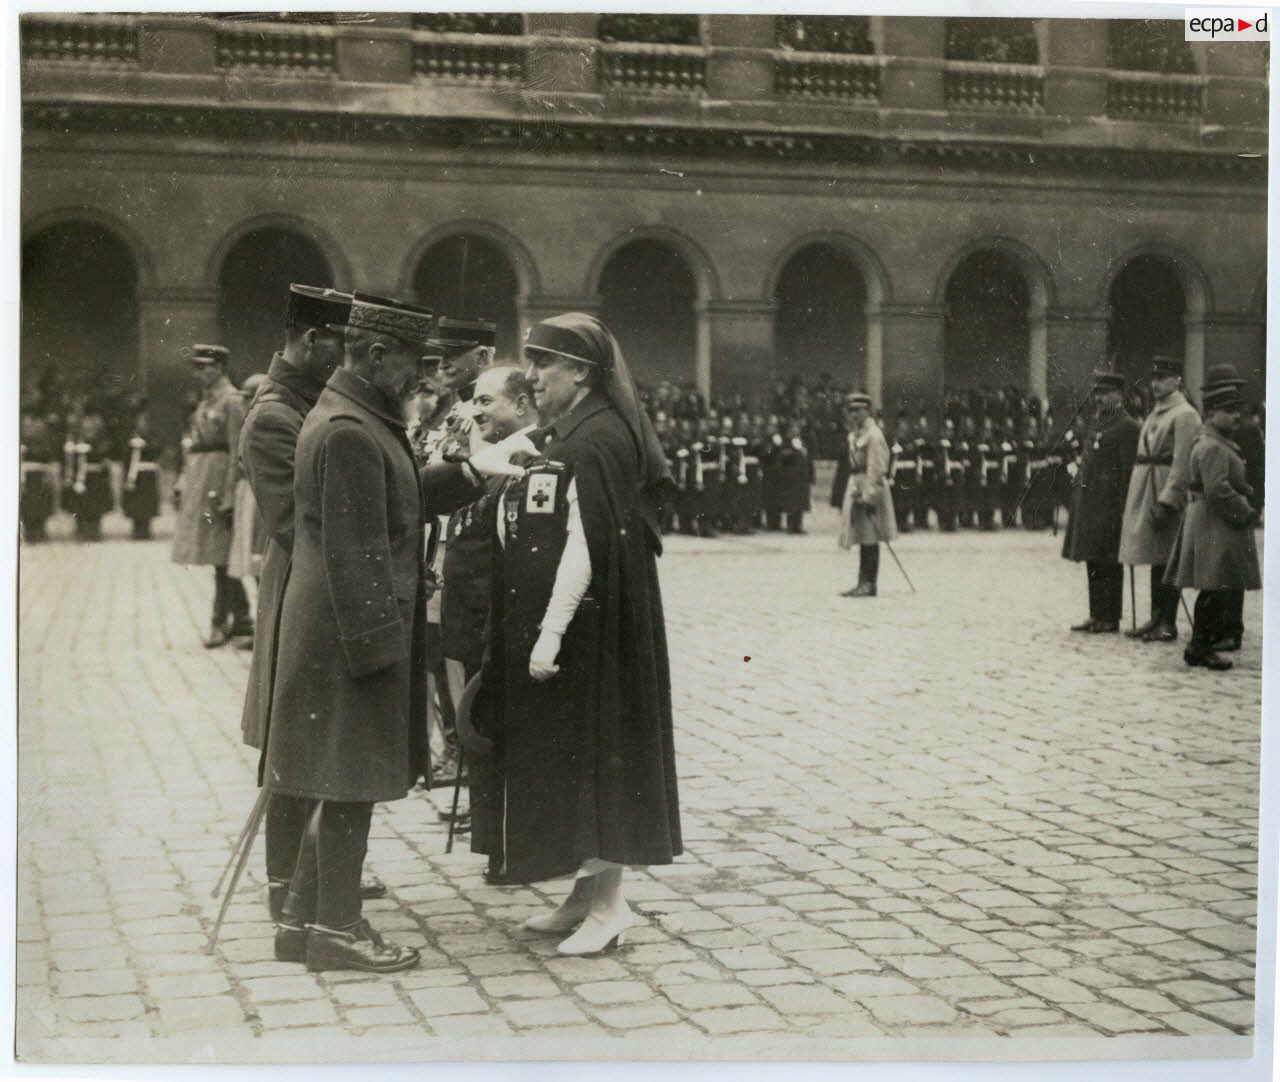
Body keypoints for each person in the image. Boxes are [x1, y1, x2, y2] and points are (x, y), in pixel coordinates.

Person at [264, 294, 525, 973]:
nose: (425, 380)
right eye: (413, 365)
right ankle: (338, 929)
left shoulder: (354, 415)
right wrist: (384, 655)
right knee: (351, 780)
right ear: (377, 355)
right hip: (352, 635)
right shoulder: (351, 430)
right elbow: (357, 554)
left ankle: (300, 920)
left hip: (334, 631)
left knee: (334, 776)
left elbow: (400, 496)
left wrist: (471, 472)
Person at [468, 312, 682, 956]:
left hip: (594, 626)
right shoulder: (577, 431)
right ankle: (585, 896)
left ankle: (611, 907)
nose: (532, 377)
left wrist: (549, 634)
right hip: (587, 620)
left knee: (600, 755)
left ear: (583, 373)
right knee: (579, 755)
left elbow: (586, 546)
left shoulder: (596, 440)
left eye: (545, 364)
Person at [237, 285, 362, 923]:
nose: (347, 358)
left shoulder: (306, 402)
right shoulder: (273, 415)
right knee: (293, 740)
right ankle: (285, 884)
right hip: (299, 594)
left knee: (314, 736)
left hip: (316, 587)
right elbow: (297, 523)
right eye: (340, 343)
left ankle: (308, 872)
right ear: (312, 340)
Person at [1164, 373, 1262, 671]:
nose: (1235, 417)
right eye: (1229, 411)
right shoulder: (1212, 447)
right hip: (1214, 525)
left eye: (1237, 411)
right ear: (1210, 413)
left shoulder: (1215, 442)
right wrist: (1246, 510)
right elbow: (1218, 490)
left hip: (1213, 522)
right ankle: (1200, 647)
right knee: (1213, 589)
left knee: (1215, 588)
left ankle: (1201, 645)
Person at [172, 345, 253, 648]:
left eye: (205, 367)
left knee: (221, 554)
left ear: (220, 367)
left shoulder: (232, 401)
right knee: (217, 556)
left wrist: (231, 493)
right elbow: (193, 444)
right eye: (197, 367)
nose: (200, 373)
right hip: (202, 478)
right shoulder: (206, 401)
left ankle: (222, 622)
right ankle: (242, 619)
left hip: (219, 480)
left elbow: (237, 449)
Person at [1118, 356, 1201, 643]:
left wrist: (1168, 500)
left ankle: (1168, 622)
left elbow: (1182, 462)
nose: (1156, 384)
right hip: (1146, 488)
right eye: (1154, 378)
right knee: (1156, 557)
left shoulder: (1185, 414)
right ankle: (1155, 618)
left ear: (1177, 380)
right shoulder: (1156, 413)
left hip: (1165, 491)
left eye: (1163, 378)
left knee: (1167, 558)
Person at [1061, 373, 1140, 633]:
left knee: (1109, 562)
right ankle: (1096, 613)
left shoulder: (1127, 426)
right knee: (1092, 559)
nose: (1099, 398)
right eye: (1097, 393)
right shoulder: (1097, 423)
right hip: (1090, 503)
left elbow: (1128, 471)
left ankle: (1110, 617)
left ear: (1119, 395)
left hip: (1110, 505)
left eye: (1105, 393)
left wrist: (1124, 508)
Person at [831, 392, 895, 598]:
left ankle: (869, 583)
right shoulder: (856, 435)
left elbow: (877, 469)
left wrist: (869, 497)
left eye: (858, 410)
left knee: (870, 536)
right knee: (862, 534)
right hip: (856, 486)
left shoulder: (874, 436)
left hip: (869, 488)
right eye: (851, 411)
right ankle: (862, 581)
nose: (854, 415)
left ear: (868, 411)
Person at [228, 373, 268, 615]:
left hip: (259, 494)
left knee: (260, 557)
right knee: (249, 559)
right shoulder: (247, 422)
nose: (244, 402)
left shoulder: (263, 421)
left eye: (249, 397)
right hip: (246, 492)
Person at [120, 401, 161, 541]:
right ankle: (137, 529)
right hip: (135, 475)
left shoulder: (153, 436)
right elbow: (125, 456)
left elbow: (158, 450)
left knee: (147, 504)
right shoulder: (131, 436)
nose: (143, 423)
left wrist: (147, 446)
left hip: (147, 474)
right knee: (135, 504)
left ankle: (146, 529)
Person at [20, 409, 59, 543]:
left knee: (40, 504)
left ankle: (39, 531)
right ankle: (30, 532)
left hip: (40, 474)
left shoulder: (45, 441)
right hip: (26, 474)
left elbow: (48, 455)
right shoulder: (21, 438)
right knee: (27, 505)